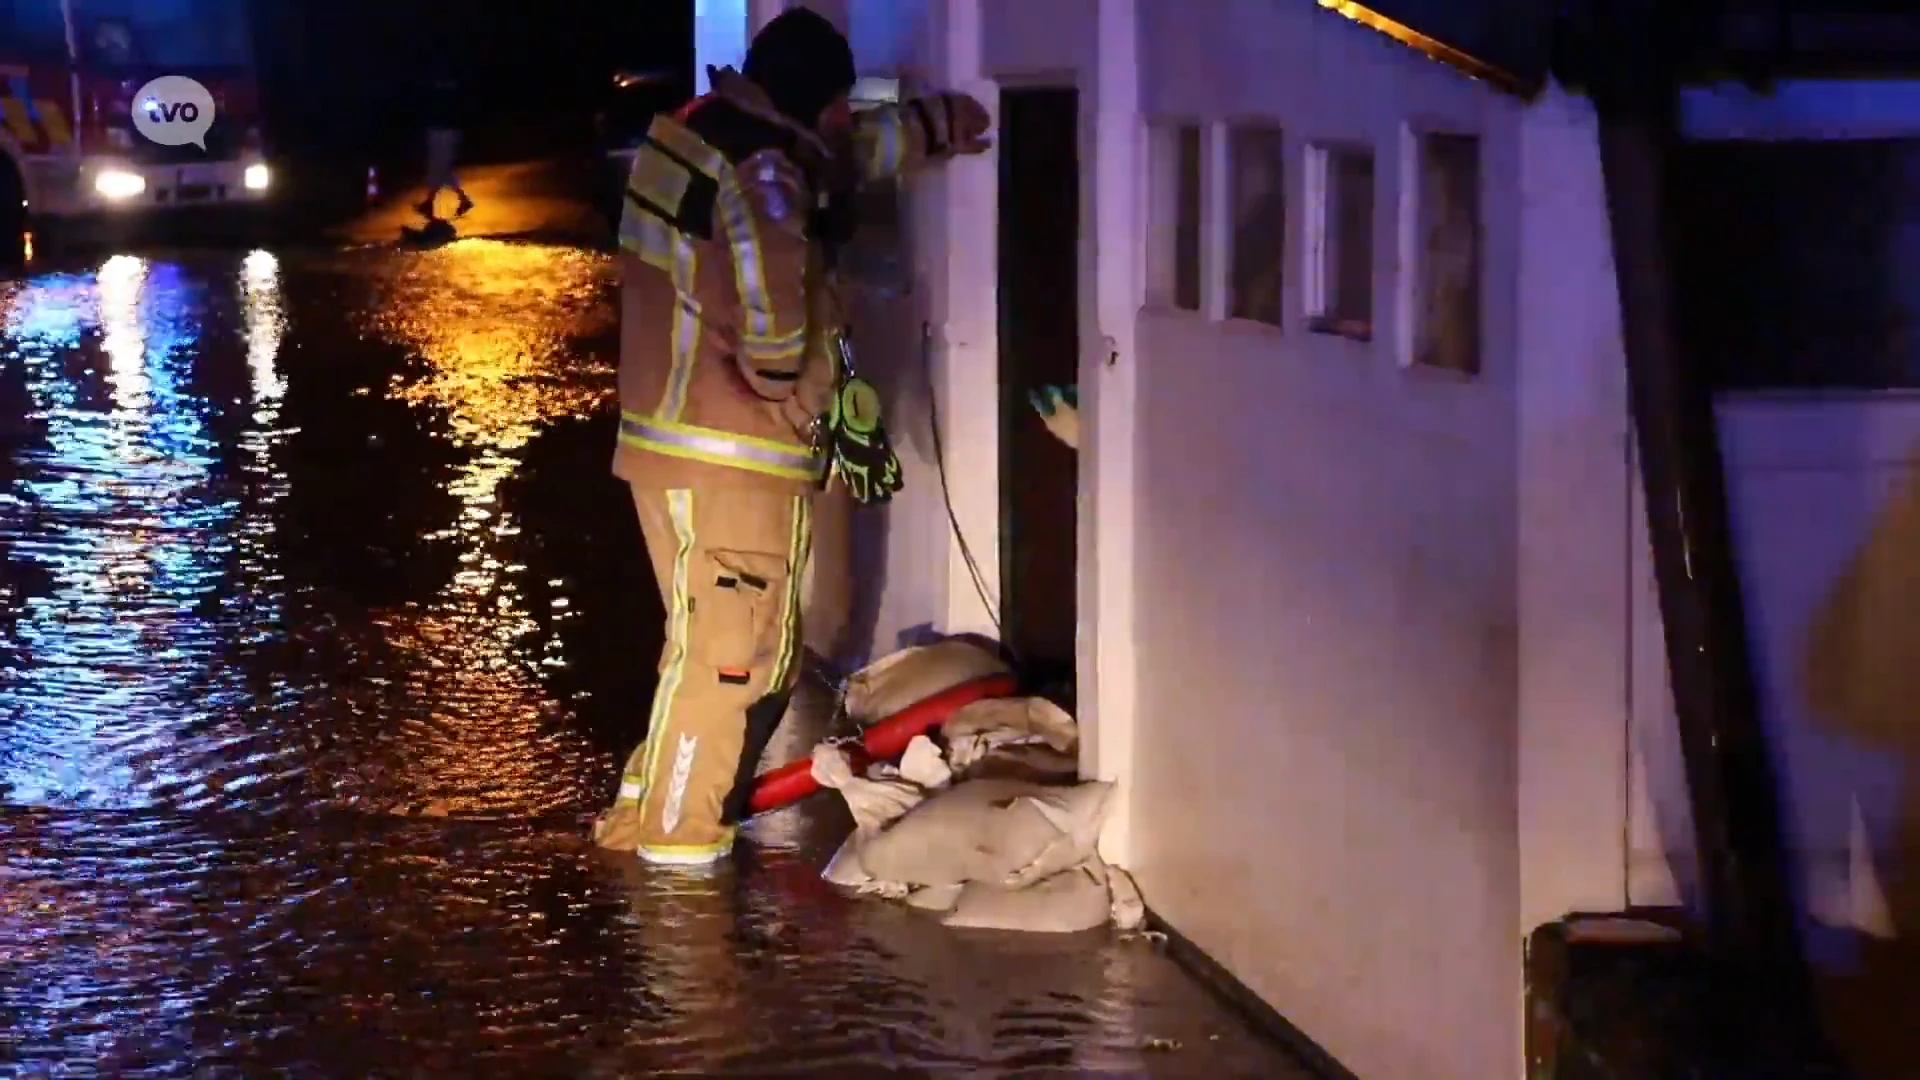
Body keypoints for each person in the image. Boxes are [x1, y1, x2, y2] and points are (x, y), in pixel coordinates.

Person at [592, 7, 992, 865]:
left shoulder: (699, 135)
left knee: (699, 652)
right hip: (734, 454)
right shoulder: (765, 173)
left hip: (667, 450)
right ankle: (679, 871)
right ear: (817, 101)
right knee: (737, 666)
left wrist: (931, 127)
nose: (849, 121)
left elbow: (837, 156)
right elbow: (773, 295)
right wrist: (781, 381)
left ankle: (637, 830)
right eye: (843, 105)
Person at [415, 70, 474, 219]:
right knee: (440, 168)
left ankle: (433, 204)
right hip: (443, 129)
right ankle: (431, 203)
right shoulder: (447, 89)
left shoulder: (443, 89)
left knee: (440, 168)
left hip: (443, 130)